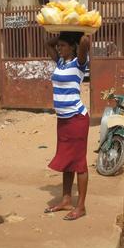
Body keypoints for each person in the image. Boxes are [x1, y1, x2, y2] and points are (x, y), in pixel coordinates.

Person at [44, 32, 91, 221]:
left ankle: (81, 206)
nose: (59, 48)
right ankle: (66, 200)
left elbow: (85, 40)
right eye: (60, 45)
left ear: (72, 47)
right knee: (66, 160)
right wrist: (63, 33)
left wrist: (75, 30)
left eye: (63, 45)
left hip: (77, 119)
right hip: (62, 120)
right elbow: (48, 44)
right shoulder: (60, 62)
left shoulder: (79, 63)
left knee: (79, 163)